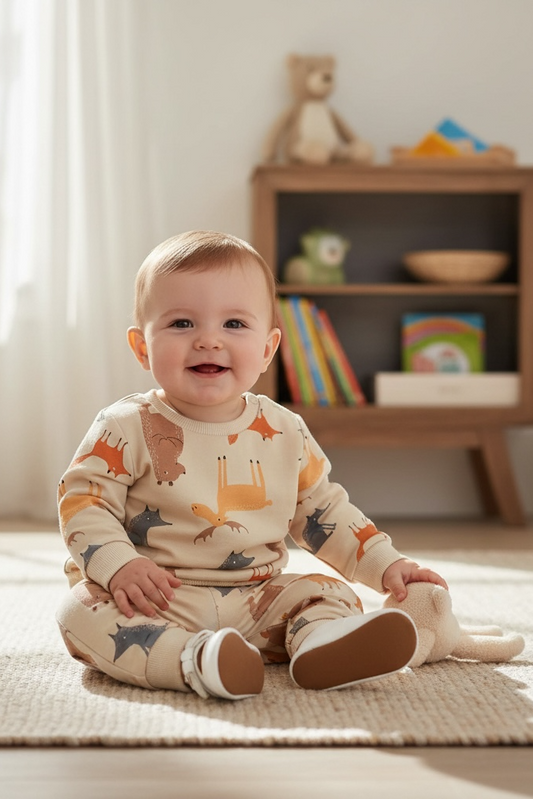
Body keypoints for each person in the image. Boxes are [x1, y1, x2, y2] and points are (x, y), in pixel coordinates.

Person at [56, 230, 448, 700]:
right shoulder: (125, 425)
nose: (207, 340)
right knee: (80, 613)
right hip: (154, 599)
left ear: (267, 348)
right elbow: (84, 501)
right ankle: (193, 659)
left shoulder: (284, 430)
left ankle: (319, 642)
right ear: (142, 347)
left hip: (258, 599)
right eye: (181, 323)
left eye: (235, 325)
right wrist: (119, 567)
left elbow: (325, 513)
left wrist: (387, 565)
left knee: (327, 592)